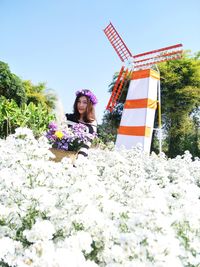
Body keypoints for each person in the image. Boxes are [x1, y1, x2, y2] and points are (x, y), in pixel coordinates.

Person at [66, 89, 98, 158]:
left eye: (85, 102)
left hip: (78, 159)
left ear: (90, 105)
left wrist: (78, 161)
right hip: (61, 154)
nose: (80, 105)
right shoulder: (68, 118)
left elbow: (86, 145)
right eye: (79, 101)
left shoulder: (92, 123)